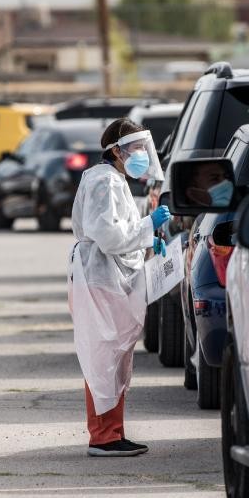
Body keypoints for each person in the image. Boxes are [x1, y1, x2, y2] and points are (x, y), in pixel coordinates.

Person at [68, 117, 170, 457]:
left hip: (110, 277)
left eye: (143, 147)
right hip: (100, 279)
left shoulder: (112, 179)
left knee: (115, 357)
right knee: (104, 357)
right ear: (116, 151)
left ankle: (112, 432)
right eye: (135, 148)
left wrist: (148, 236)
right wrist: (147, 225)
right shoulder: (104, 182)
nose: (141, 154)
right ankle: (103, 436)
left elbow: (120, 231)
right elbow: (110, 237)